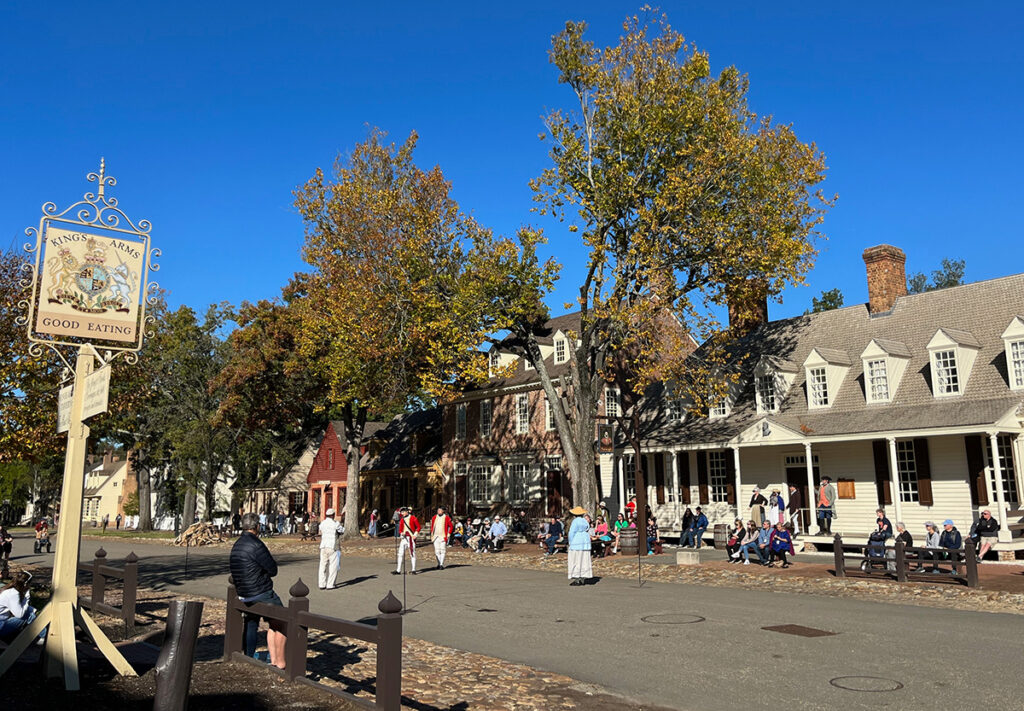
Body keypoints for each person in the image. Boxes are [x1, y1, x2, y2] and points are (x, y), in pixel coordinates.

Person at [229, 512, 286, 668]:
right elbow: (272, 569)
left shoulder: (237, 544)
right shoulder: (256, 544)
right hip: (259, 591)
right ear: (256, 526)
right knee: (283, 620)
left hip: (243, 592)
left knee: (251, 621)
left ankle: (249, 656)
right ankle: (279, 661)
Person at [0, 572, 45, 645]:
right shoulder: (13, 594)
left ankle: (42, 635)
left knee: (29, 611)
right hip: (1, 628)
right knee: (28, 614)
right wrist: (27, 598)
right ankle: (45, 636)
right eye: (29, 584)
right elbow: (20, 615)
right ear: (25, 584)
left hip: (2, 622)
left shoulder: (8, 589)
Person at [567, 507, 593, 586]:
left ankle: (577, 578)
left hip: (577, 542)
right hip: (585, 541)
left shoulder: (575, 521)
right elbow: (587, 528)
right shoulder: (585, 521)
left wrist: (570, 542)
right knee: (584, 560)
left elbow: (572, 532)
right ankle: (583, 577)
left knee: (576, 560)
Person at [318, 508, 341, 590]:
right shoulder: (336, 523)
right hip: (332, 546)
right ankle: (330, 584)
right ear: (333, 515)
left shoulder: (322, 523)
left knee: (322, 565)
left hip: (323, 545)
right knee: (333, 566)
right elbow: (341, 530)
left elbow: (320, 531)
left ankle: (321, 584)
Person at [393, 506, 421, 575]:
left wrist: (415, 534)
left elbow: (418, 527)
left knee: (412, 553)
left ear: (406, 511)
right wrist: (401, 533)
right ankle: (398, 570)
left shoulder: (413, 518)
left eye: (403, 512)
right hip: (404, 538)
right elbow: (400, 529)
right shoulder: (402, 520)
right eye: (401, 512)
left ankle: (413, 569)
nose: (402, 514)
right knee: (400, 553)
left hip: (411, 538)